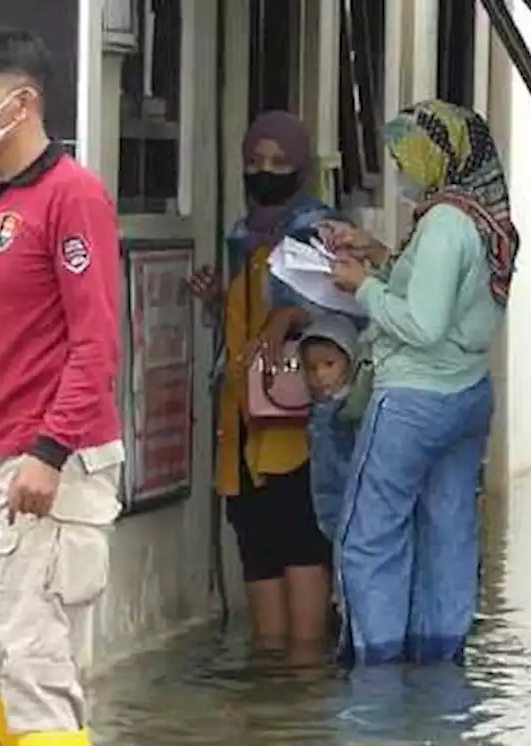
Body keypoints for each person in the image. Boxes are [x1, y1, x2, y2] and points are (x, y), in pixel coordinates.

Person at [0, 28, 123, 746]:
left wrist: (50, 448)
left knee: (34, 663)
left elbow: (96, 342)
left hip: (51, 457)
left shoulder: (74, 197)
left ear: (23, 103)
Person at [323, 99, 519, 665]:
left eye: (408, 156)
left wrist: (361, 287)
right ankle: (440, 665)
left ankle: (376, 669)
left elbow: (424, 324)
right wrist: (379, 256)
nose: (402, 170)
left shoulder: (443, 224)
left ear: (440, 157)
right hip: (468, 397)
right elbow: (445, 294)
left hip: (412, 401)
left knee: (371, 535)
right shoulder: (484, 217)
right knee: (449, 532)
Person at [187, 111, 334, 661]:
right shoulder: (241, 233)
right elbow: (243, 313)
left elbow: (342, 313)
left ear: (301, 167)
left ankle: (303, 672)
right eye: (255, 162)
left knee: (298, 534)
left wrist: (291, 317)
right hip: (242, 409)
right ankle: (271, 677)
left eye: (278, 163)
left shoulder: (319, 230)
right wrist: (214, 302)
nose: (264, 172)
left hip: (296, 414)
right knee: (255, 538)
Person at [298, 312, 361, 541]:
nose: (320, 375)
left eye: (329, 364)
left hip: (355, 515)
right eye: (311, 368)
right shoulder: (319, 411)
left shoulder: (350, 412)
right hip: (331, 517)